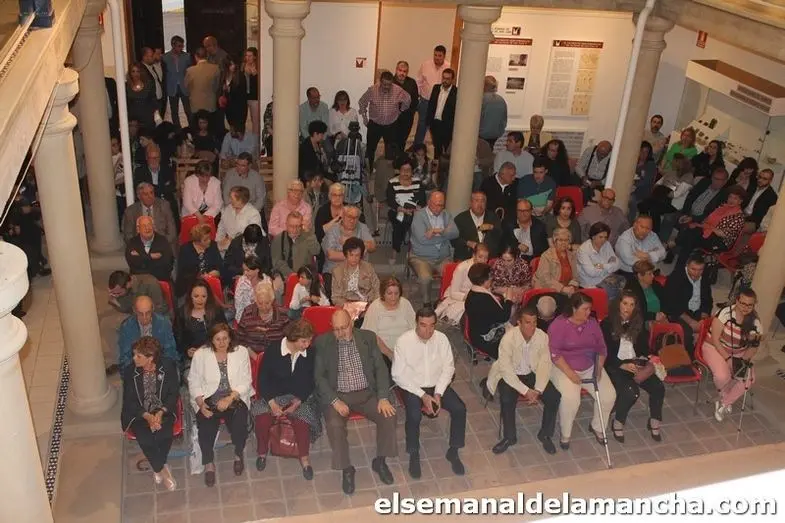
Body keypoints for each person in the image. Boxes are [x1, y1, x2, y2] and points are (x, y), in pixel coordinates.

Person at [314, 310, 398, 495]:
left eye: (344, 328)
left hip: (367, 394)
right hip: (339, 395)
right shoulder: (322, 342)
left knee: (389, 416)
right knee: (334, 425)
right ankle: (346, 468)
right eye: (336, 329)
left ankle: (380, 461)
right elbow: (319, 377)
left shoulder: (367, 338)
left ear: (351, 323)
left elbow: (380, 369)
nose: (340, 333)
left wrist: (383, 397)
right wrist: (334, 400)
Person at [393, 307, 467, 479]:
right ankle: (414, 453)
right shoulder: (403, 341)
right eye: (423, 325)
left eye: (432, 325)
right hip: (413, 387)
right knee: (414, 416)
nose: (428, 330)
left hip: (436, 385)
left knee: (460, 409)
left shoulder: (442, 339)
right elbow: (398, 375)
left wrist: (438, 393)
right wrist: (423, 396)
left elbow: (448, 368)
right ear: (416, 323)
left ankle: (453, 451)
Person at [486, 305, 561, 455]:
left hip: (532, 372)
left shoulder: (542, 337)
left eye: (534, 322)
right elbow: (506, 370)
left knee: (554, 396)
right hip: (511, 375)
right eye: (527, 322)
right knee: (507, 399)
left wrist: (538, 389)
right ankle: (509, 437)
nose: (532, 327)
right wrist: (526, 391)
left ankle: (545, 434)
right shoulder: (508, 339)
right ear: (519, 323)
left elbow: (544, 364)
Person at [253, 319, 321, 479]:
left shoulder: (310, 353)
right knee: (262, 419)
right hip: (273, 396)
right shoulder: (273, 350)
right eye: (304, 341)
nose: (308, 344)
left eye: (309, 340)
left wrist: (299, 400)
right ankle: (262, 452)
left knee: (302, 420)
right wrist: (271, 403)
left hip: (298, 396)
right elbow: (262, 379)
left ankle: (304, 458)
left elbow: (311, 381)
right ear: (293, 338)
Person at [548, 292, 615, 448]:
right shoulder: (558, 325)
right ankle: (565, 434)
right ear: (574, 308)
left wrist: (598, 369)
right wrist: (570, 374)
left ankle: (598, 427)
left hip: (590, 366)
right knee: (571, 400)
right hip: (563, 367)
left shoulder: (592, 323)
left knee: (608, 396)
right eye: (585, 309)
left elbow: (601, 348)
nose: (588, 312)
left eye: (590, 309)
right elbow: (554, 353)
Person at [189, 323, 252, 487]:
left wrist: (229, 399)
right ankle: (209, 463)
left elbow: (246, 381)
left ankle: (238, 454)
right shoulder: (201, 355)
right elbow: (193, 381)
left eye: (225, 338)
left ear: (230, 338)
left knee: (239, 426)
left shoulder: (241, 352)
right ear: (211, 340)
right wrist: (201, 404)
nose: (222, 342)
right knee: (205, 429)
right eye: (218, 339)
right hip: (209, 397)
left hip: (234, 396)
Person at [601, 290, 665, 442]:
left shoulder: (638, 322)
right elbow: (604, 352)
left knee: (658, 387)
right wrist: (622, 365)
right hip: (616, 365)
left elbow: (643, 347)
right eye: (625, 303)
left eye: (631, 305)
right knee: (631, 392)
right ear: (618, 304)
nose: (627, 308)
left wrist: (648, 357)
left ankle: (655, 420)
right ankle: (618, 422)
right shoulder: (606, 324)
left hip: (636, 363)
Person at [121, 337, 179, 490]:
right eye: (134, 354)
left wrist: (160, 413)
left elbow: (173, 394)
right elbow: (130, 401)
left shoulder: (168, 366)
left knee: (164, 436)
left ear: (150, 358)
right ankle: (162, 470)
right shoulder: (130, 372)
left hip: (162, 410)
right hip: (139, 413)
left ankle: (157, 467)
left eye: (138, 356)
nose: (134, 358)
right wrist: (147, 416)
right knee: (146, 439)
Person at [704, 290, 761, 422]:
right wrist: (728, 359)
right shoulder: (725, 313)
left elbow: (754, 346)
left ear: (754, 305)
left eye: (750, 305)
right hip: (715, 347)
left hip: (738, 351)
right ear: (737, 301)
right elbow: (715, 339)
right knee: (722, 376)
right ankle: (724, 396)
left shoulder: (755, 321)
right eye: (743, 303)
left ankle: (724, 402)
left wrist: (743, 361)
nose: (745, 307)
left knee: (748, 378)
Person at [673, 185, 746, 268]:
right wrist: (703, 225)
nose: (731, 200)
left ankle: (675, 245)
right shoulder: (722, 207)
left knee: (691, 235)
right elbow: (707, 220)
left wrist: (707, 227)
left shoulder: (739, 217)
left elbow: (723, 234)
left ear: (740, 201)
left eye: (735, 198)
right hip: (709, 234)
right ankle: (681, 265)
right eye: (730, 197)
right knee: (691, 233)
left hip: (721, 241)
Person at [409, 191, 458, 306]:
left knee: (453, 275)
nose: (438, 208)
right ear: (429, 202)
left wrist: (437, 231)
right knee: (425, 278)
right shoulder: (419, 216)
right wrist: (445, 235)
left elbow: (456, 233)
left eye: (441, 205)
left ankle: (445, 300)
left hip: (443, 258)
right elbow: (422, 239)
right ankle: (426, 303)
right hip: (421, 258)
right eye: (435, 204)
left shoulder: (446, 214)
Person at [662, 254, 713, 357]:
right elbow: (671, 304)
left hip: (697, 311)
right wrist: (690, 321)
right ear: (687, 266)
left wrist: (703, 318)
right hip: (679, 313)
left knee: (712, 331)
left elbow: (707, 300)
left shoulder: (704, 277)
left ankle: (702, 354)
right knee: (686, 334)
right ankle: (689, 358)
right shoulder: (675, 278)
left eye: (700, 270)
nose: (697, 273)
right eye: (693, 269)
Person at [359, 71, 412, 164]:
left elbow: (408, 99)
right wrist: (364, 117)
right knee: (370, 149)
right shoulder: (372, 90)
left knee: (391, 151)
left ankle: (388, 171)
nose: (387, 87)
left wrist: (401, 110)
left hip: (391, 125)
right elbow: (362, 102)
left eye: (389, 84)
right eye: (384, 84)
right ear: (380, 81)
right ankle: (369, 169)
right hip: (375, 124)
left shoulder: (398, 90)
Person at [465, 263, 514, 360]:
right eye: (490, 276)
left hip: (476, 333)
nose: (492, 278)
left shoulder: (472, 293)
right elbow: (504, 317)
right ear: (486, 279)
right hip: (485, 339)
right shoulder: (484, 299)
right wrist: (509, 299)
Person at [363, 276, 417, 365]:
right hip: (382, 352)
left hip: (405, 349)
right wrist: (390, 354)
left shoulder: (405, 304)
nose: (393, 297)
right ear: (383, 294)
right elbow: (371, 336)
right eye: (389, 293)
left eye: (396, 293)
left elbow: (414, 329)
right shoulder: (375, 307)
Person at [116, 296, 178, 373]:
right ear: (134, 311)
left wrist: (157, 367)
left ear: (153, 309)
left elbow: (170, 351)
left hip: (160, 365)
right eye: (140, 313)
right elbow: (125, 357)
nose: (144, 317)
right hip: (137, 367)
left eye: (148, 313)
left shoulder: (164, 323)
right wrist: (140, 369)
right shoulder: (126, 327)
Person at [436, 243, 488, 325]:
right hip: (457, 297)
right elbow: (453, 293)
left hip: (475, 297)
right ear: (474, 255)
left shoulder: (486, 268)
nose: (483, 261)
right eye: (480, 257)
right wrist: (469, 297)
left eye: (486, 258)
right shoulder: (462, 268)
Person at [175, 279, 227, 362]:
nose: (200, 300)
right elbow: (178, 339)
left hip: (215, 353)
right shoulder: (182, 313)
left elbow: (226, 332)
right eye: (196, 296)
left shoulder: (216, 311)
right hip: (193, 358)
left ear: (208, 296)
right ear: (190, 296)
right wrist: (186, 351)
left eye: (204, 296)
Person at [236, 281, 290, 359]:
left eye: (267, 303)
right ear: (255, 301)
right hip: (252, 355)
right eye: (260, 303)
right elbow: (239, 338)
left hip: (277, 355)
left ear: (272, 300)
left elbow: (289, 338)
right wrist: (255, 357)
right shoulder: (247, 313)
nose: (264, 307)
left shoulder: (282, 314)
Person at [387, 157, 426, 260]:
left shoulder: (417, 182)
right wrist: (402, 210)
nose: (405, 172)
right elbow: (390, 201)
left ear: (412, 171)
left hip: (415, 211)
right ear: (399, 170)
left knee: (416, 222)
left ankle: (414, 250)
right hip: (398, 211)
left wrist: (417, 208)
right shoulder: (392, 182)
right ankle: (395, 250)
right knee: (400, 223)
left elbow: (422, 200)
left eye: (408, 170)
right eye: (403, 170)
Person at [122, 182, 177, 251]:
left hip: (163, 245)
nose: (150, 196)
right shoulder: (130, 211)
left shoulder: (164, 205)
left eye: (151, 193)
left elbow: (172, 232)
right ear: (139, 196)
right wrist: (144, 248)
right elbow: (128, 236)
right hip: (141, 248)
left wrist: (160, 244)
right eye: (146, 194)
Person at [322, 205, 375, 275]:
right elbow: (331, 255)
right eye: (349, 217)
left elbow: (372, 247)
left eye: (355, 217)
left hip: (358, 272)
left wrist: (350, 242)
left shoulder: (362, 227)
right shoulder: (333, 229)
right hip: (334, 272)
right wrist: (357, 255)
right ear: (343, 216)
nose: (352, 220)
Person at [414, 45, 451, 146]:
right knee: (422, 124)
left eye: (439, 56)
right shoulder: (425, 65)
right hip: (425, 100)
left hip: (440, 102)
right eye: (435, 55)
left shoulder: (449, 66)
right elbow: (419, 81)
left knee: (436, 125)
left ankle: (437, 147)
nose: (437, 58)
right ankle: (417, 146)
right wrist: (418, 96)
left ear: (444, 56)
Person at [577, 222, 624, 299]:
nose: (603, 240)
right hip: (591, 285)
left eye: (605, 237)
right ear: (593, 236)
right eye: (600, 237)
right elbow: (591, 272)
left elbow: (618, 264)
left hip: (607, 281)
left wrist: (602, 266)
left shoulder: (607, 244)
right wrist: (610, 267)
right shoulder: (583, 250)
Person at [331, 237, 381, 308]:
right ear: (346, 254)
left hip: (367, 303)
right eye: (351, 255)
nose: (354, 258)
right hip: (346, 305)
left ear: (361, 255)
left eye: (357, 255)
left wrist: (373, 305)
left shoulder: (368, 267)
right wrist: (350, 306)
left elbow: (377, 288)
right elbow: (335, 297)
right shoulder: (337, 271)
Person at [452, 191, 502, 261]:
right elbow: (453, 240)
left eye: (483, 201)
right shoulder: (460, 218)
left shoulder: (493, 217)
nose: (480, 204)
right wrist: (468, 243)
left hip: (489, 258)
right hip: (466, 257)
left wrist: (491, 227)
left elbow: (500, 236)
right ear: (471, 203)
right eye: (476, 201)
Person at [175, 223, 222, 297]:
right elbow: (183, 273)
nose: (209, 241)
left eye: (209, 238)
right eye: (205, 240)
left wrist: (216, 272)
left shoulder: (213, 245)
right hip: (189, 286)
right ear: (197, 241)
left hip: (210, 284)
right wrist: (199, 277)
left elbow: (220, 265)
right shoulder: (185, 249)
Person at [270, 211, 320, 278]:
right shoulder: (278, 239)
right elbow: (277, 262)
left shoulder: (307, 237)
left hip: (304, 276)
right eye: (291, 226)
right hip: (284, 276)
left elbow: (316, 251)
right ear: (286, 225)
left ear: (301, 226)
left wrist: (309, 234)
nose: (295, 230)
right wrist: (292, 275)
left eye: (298, 226)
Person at [125, 216, 174, 283]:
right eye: (144, 226)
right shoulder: (132, 242)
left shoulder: (163, 241)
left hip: (159, 280)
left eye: (149, 225)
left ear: (153, 227)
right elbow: (132, 263)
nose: (147, 228)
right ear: (138, 229)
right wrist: (150, 256)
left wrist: (140, 257)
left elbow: (166, 263)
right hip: (139, 281)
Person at [533, 227, 579, 295]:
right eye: (560, 240)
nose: (563, 243)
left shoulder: (572, 255)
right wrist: (562, 288)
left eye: (566, 240)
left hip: (567, 290)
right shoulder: (546, 255)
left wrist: (572, 286)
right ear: (555, 241)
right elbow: (545, 279)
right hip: (547, 289)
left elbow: (576, 276)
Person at [184, 47, 221, 131]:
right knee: (211, 128)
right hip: (210, 103)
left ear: (195, 56)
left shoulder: (190, 70)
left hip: (195, 104)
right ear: (207, 56)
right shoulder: (215, 68)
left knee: (196, 128)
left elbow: (186, 87)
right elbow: (216, 86)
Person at [216, 186, 263, 251]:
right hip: (227, 245)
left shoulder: (253, 213)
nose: (230, 200)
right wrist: (218, 241)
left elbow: (252, 236)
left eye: (232, 198)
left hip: (245, 247)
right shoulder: (228, 209)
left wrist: (232, 241)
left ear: (240, 200)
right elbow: (221, 227)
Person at [424, 68, 457, 158]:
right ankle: (436, 162)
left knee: (446, 147)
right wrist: (428, 122)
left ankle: (444, 164)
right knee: (436, 147)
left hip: (447, 125)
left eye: (448, 79)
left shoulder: (456, 91)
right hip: (435, 123)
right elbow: (431, 105)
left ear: (452, 80)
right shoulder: (436, 88)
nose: (445, 81)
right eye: (443, 78)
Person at [232, 255, 273, 323]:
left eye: (248, 270)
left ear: (257, 270)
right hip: (246, 317)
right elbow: (238, 306)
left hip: (265, 316)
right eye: (244, 270)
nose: (245, 273)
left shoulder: (267, 281)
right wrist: (243, 322)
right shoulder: (242, 281)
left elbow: (271, 303)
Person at [162, 35, 191, 128]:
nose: (181, 48)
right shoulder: (165, 57)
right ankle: (177, 130)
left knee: (188, 111)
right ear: (173, 45)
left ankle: (192, 128)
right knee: (174, 111)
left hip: (184, 86)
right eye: (179, 46)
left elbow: (190, 71)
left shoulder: (187, 56)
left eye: (182, 46)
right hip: (172, 87)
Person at [392, 61, 420, 148]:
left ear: (407, 72)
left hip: (407, 117)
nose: (402, 73)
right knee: (391, 141)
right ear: (396, 70)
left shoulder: (412, 82)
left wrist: (411, 112)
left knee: (402, 141)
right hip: (392, 117)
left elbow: (415, 100)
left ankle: (400, 155)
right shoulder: (390, 82)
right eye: (400, 70)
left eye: (404, 71)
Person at [218, 56, 247, 133]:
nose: (233, 66)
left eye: (233, 64)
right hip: (229, 107)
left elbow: (243, 93)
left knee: (239, 130)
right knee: (232, 128)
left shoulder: (240, 76)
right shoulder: (224, 76)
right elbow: (221, 90)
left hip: (239, 107)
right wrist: (223, 90)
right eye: (230, 65)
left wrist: (230, 89)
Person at [630, 141, 658, 219]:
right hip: (630, 188)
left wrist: (634, 185)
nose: (643, 154)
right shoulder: (632, 161)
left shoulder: (650, 165)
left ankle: (631, 221)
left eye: (646, 152)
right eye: (641, 151)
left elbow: (646, 181)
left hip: (642, 192)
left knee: (631, 199)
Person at [126, 62, 158, 130]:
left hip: (147, 120)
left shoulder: (149, 84)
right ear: (130, 73)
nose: (136, 74)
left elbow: (154, 101)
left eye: (138, 71)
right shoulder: (126, 86)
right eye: (133, 71)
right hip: (132, 121)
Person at [478, 75, 507, 148]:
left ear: (484, 85)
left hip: (480, 136)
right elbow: (504, 120)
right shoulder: (501, 100)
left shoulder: (481, 99)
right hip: (495, 136)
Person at [141, 47, 165, 119]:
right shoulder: (141, 69)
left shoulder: (151, 67)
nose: (153, 58)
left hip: (158, 100)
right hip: (151, 102)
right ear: (145, 57)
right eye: (151, 56)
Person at [243, 47, 260, 135]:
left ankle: (255, 139)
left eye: (250, 56)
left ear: (255, 57)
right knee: (244, 120)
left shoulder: (258, 67)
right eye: (246, 55)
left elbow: (258, 84)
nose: (248, 58)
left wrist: (255, 74)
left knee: (255, 121)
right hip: (244, 96)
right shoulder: (243, 67)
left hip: (254, 97)